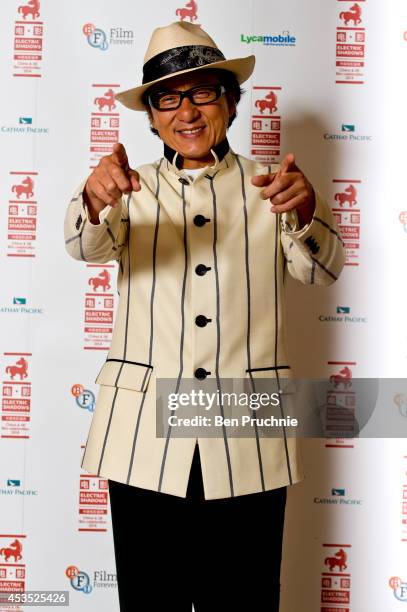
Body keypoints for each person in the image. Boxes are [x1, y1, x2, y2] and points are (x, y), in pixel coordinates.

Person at [64, 20, 345, 612]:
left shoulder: (275, 187)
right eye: (167, 96)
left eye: (202, 91)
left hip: (247, 437)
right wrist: (93, 199)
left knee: (242, 602)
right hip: (142, 438)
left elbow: (321, 272)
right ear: (150, 114)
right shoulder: (125, 188)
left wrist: (307, 212)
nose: (185, 111)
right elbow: (85, 248)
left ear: (232, 101)